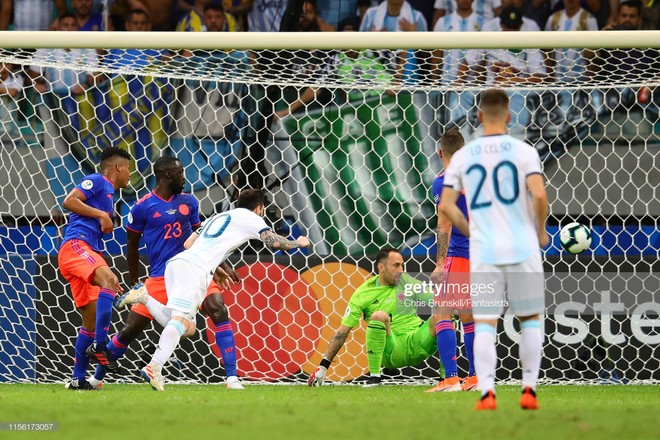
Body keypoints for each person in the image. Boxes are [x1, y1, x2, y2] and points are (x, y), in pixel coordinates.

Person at [123, 189, 311, 391]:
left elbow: (188, 243)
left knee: (187, 327)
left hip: (178, 264)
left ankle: (145, 298)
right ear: (259, 208)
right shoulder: (251, 217)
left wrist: (217, 265)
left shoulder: (218, 216)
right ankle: (154, 366)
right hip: (195, 269)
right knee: (180, 321)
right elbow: (273, 242)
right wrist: (297, 242)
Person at [90, 156, 244, 389]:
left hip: (194, 270)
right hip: (161, 276)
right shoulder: (142, 206)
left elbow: (202, 237)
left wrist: (220, 266)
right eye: (181, 173)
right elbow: (131, 245)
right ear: (168, 175)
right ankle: (96, 379)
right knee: (130, 330)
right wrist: (135, 282)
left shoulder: (189, 202)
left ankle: (232, 378)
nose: (185, 178)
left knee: (218, 309)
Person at [439, 88, 549, 410]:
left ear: (479, 116)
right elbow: (540, 197)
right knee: (530, 319)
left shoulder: (462, 157)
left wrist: (471, 231)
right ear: (510, 117)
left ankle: (487, 393)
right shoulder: (524, 150)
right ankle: (528, 388)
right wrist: (540, 231)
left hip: (484, 248)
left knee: (485, 322)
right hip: (521, 243)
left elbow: (447, 206)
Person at [307, 248, 442, 388]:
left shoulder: (407, 282)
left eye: (402, 265)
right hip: (391, 350)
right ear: (381, 267)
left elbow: (436, 301)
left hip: (418, 342)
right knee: (378, 316)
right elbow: (342, 332)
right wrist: (322, 367)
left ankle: (447, 379)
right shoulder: (363, 294)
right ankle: (375, 378)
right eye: (396, 265)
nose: (401, 270)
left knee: (444, 313)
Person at [58, 147, 132, 390]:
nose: (130, 174)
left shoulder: (109, 192)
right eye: (128, 168)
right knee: (110, 281)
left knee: (89, 321)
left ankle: (78, 380)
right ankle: (101, 347)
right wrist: (101, 213)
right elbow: (69, 201)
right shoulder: (97, 180)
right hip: (76, 246)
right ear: (118, 167)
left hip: (87, 251)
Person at [425, 129, 477, 393]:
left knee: (442, 312)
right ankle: (476, 378)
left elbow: (444, 222)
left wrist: (439, 263)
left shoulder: (444, 180)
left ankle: (451, 379)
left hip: (457, 253)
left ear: (440, 152)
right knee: (469, 315)